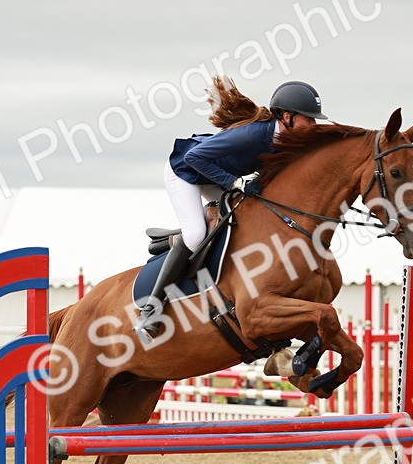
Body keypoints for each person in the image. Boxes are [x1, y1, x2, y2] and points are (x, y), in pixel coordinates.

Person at [135, 78, 327, 340]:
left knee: (246, 218)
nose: (314, 125)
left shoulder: (286, 140)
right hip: (186, 172)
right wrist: (235, 183)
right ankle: (151, 309)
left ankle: (171, 241)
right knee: (195, 234)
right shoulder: (254, 133)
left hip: (216, 175)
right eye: (309, 119)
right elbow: (194, 157)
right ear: (287, 117)